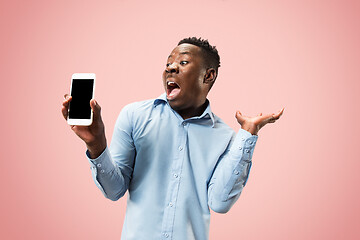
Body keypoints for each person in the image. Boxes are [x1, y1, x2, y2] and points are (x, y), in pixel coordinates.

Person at [61, 37, 284, 240]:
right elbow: (114, 190)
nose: (170, 67)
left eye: (183, 62)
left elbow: (220, 202)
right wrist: (96, 143)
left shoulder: (225, 137)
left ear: (208, 75)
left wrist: (247, 134)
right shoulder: (134, 116)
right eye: (168, 62)